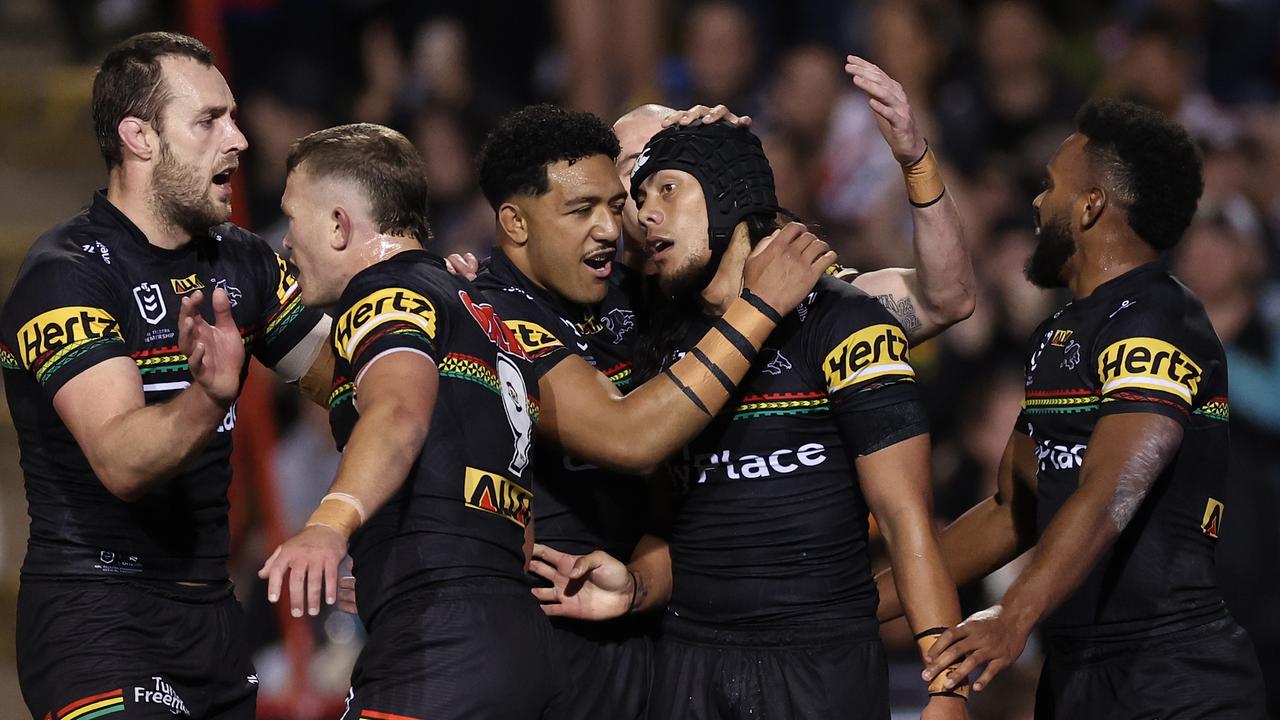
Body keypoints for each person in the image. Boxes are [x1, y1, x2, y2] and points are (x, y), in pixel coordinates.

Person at [533, 57, 971, 720]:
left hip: (819, 663)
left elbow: (945, 301)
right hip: (684, 660)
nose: (639, 211)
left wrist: (947, 685)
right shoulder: (629, 327)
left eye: (660, 184)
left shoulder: (836, 313)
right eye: (632, 190)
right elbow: (668, 520)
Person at [877, 99, 1268, 718]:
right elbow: (1013, 509)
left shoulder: (1159, 320)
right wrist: (860, 604)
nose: (1036, 203)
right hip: (1077, 678)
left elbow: (1116, 484)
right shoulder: (1061, 334)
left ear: (1091, 206)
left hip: (1174, 678)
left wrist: (1012, 614)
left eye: (1050, 186)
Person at [0, 32, 331, 720]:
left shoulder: (242, 261)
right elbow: (121, 459)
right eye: (209, 121)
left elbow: (344, 382)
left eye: (233, 117)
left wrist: (417, 311)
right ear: (139, 137)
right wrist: (210, 397)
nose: (237, 139)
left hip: (211, 621)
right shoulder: (67, 272)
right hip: (96, 619)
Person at [258, 122, 574, 719]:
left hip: (438, 646)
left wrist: (331, 523)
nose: (286, 243)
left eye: (293, 220)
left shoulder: (383, 292)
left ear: (338, 224)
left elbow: (400, 412)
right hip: (517, 644)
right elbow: (515, 524)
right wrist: (392, 557)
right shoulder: (480, 314)